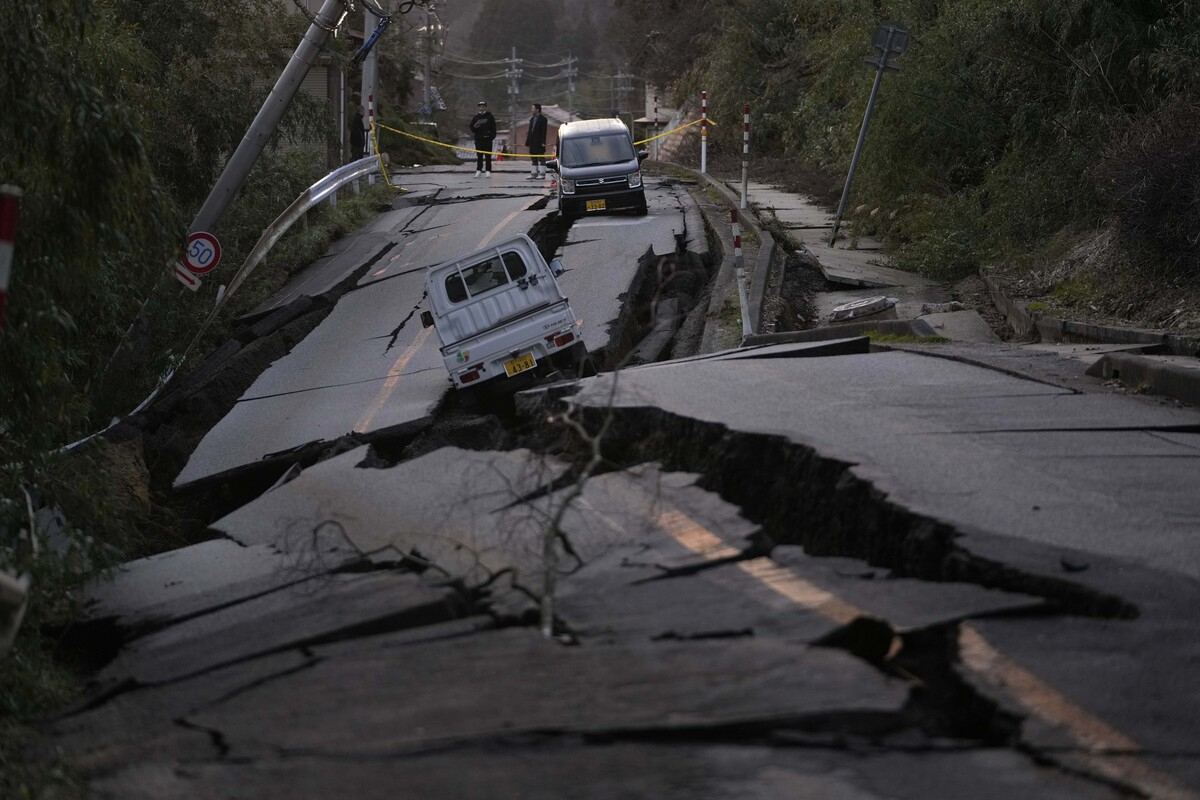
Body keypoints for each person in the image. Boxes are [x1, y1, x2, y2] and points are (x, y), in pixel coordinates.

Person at [469, 100, 497, 177]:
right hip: (479, 140)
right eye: (480, 106)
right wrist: (475, 127)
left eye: (483, 106)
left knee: (488, 156)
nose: (481, 108)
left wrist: (491, 138)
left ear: (485, 107)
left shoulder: (490, 117)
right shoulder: (476, 117)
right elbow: (472, 128)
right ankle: (479, 170)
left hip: (487, 140)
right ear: (478, 107)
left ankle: (488, 170)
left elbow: (494, 129)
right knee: (479, 156)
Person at [525, 103, 548, 180]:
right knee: (533, 158)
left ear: (537, 109)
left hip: (539, 142)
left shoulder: (543, 119)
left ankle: (542, 173)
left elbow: (544, 132)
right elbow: (530, 131)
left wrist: (543, 142)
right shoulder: (532, 119)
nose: (532, 110)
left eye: (533, 108)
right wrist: (527, 141)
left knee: (541, 158)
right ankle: (534, 173)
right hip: (532, 142)